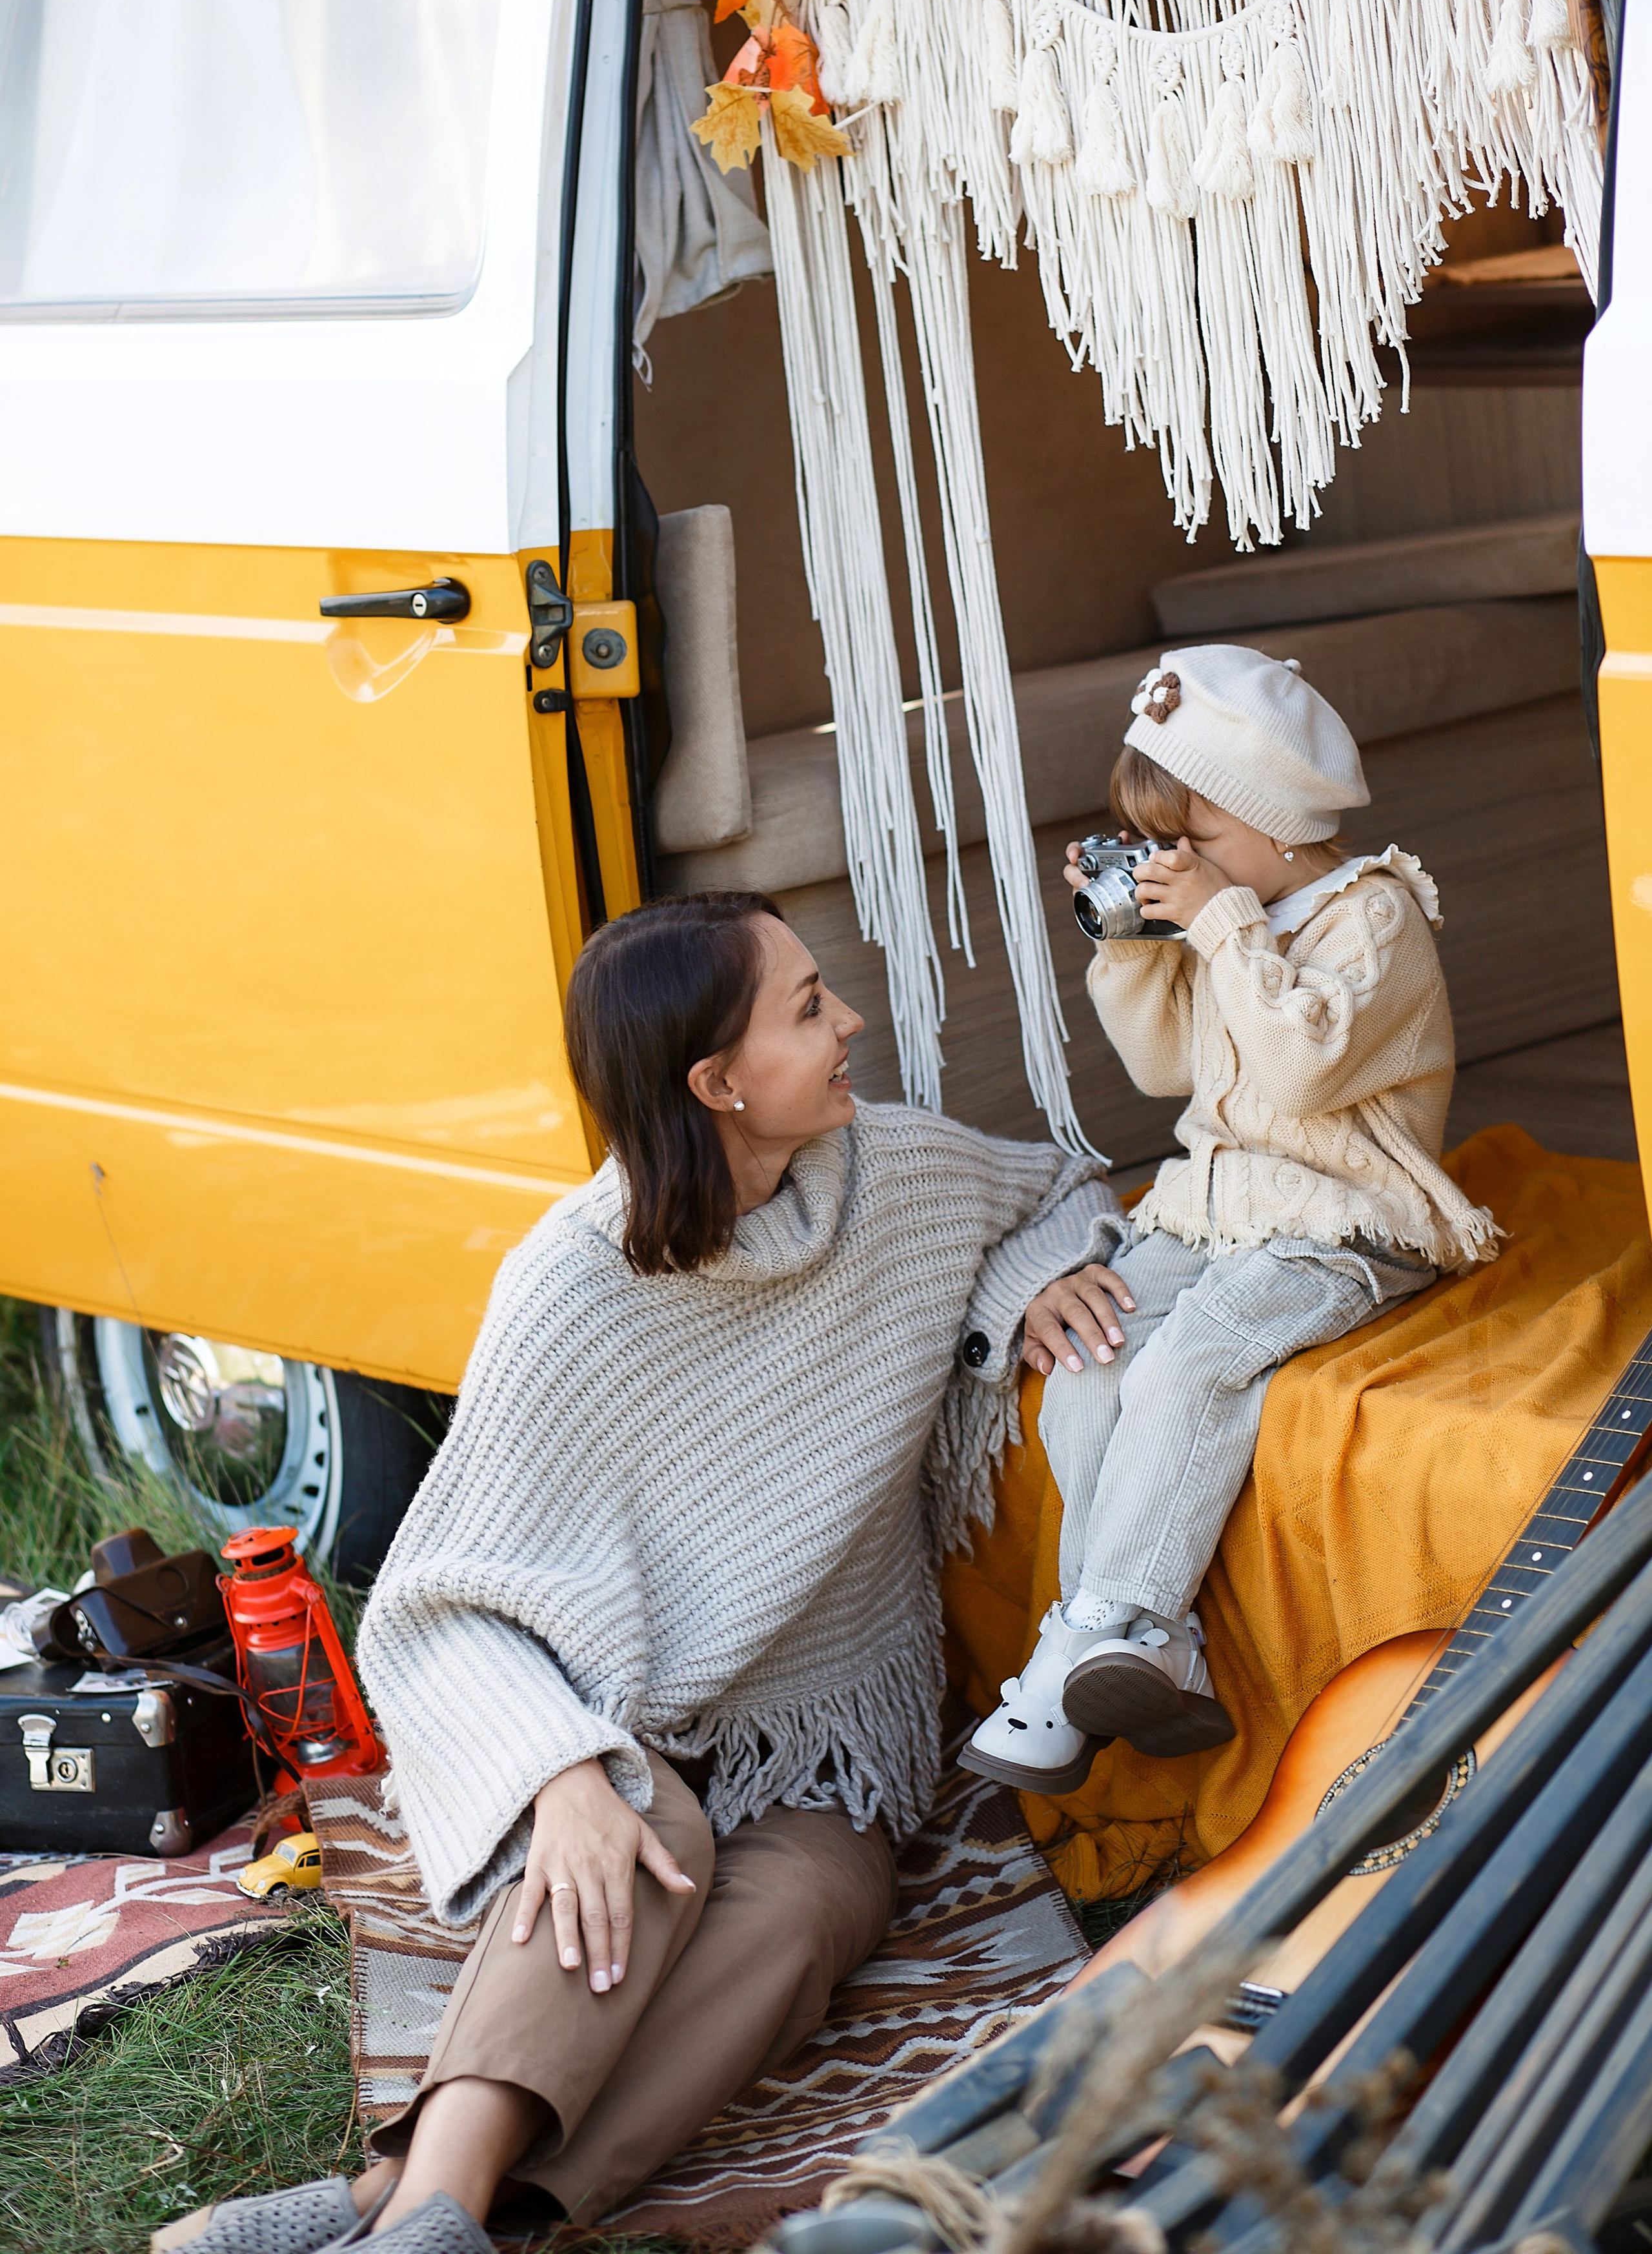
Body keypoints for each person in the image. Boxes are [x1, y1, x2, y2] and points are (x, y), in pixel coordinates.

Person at [158, 891, 1128, 2254]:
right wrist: (557, 1771)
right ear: (718, 1084)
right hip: (604, 1714)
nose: (848, 1021)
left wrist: (1017, 1287)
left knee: (809, 1911)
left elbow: (1059, 1191)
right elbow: (441, 1600)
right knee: (638, 1833)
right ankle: (434, 2208)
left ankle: (434, 2216)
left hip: (823, 1739)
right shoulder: (571, 1286)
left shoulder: (903, 1180)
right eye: (807, 1007)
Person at [963, 645, 1496, 1795]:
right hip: (1210, 1204)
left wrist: (1223, 927)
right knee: (1097, 1365)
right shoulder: (1225, 915)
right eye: (1154, 844)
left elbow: (1302, 1072)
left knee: (1194, 1362)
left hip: (1347, 1217)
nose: (1173, 864)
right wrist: (1132, 943)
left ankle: (1107, 1636)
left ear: (1274, 818)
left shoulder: (1374, 914)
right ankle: (1139, 1647)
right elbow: (1166, 1069)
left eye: (1191, 838)